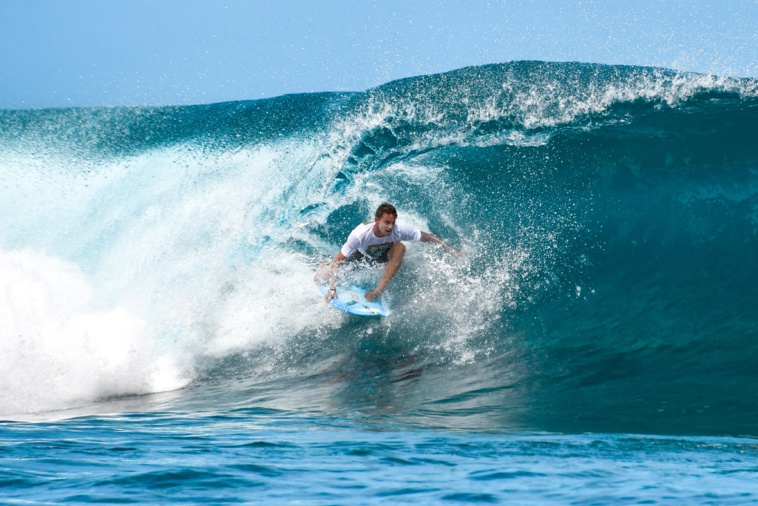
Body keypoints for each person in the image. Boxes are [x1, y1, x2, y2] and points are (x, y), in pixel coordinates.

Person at [316, 203, 463, 302]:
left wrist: (453, 252)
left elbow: (429, 237)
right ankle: (322, 267)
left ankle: (377, 291)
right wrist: (332, 289)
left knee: (400, 247)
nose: (390, 226)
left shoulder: (400, 230)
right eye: (386, 222)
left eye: (393, 222)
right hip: (360, 257)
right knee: (323, 276)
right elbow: (339, 260)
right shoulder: (360, 234)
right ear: (377, 220)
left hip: (382, 257)